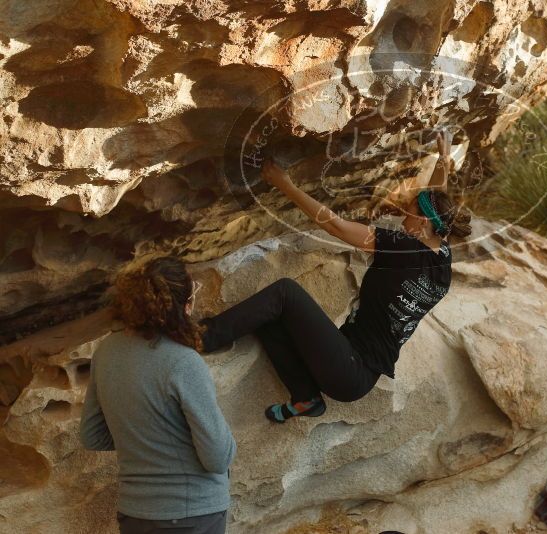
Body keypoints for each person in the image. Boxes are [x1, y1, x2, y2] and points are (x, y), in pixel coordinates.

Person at [200, 132, 472, 423]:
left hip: (349, 367)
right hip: (357, 372)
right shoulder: (442, 257)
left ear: (422, 222)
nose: (404, 212)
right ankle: (305, 398)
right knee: (268, 319)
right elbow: (437, 206)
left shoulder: (402, 248)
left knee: (285, 293)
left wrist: (283, 183)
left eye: (410, 210)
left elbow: (337, 227)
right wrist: (443, 159)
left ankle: (201, 338)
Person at [80, 257, 236, 534]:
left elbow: (92, 435)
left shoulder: (105, 352)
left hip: (135, 513)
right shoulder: (183, 363)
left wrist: (146, 443)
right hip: (192, 512)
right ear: (185, 306)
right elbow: (217, 457)